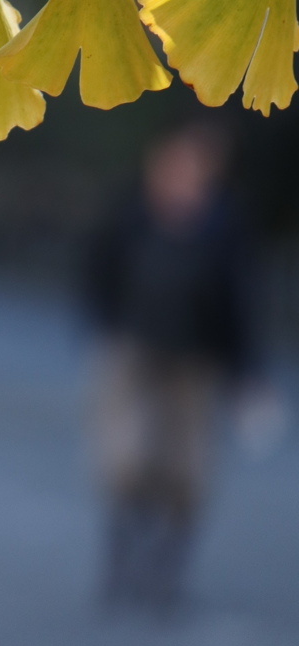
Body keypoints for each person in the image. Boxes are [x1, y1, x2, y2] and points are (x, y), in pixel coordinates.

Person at [81, 122, 262, 614]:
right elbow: (98, 266)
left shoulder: (224, 225)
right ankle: (120, 565)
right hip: (133, 351)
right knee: (126, 458)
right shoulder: (131, 211)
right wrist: (104, 325)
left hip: (194, 362)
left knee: (187, 472)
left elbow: (240, 300)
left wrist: (247, 373)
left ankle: (165, 575)